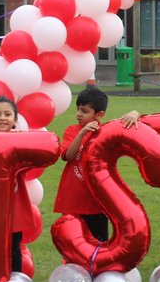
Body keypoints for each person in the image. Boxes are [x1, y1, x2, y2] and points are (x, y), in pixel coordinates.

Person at [53, 87, 139, 244]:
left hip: (97, 203)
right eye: (78, 109)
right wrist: (82, 134)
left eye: (84, 111)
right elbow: (68, 156)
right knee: (72, 244)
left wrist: (134, 113)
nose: (79, 114)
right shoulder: (72, 130)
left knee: (98, 246)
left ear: (99, 115)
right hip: (73, 200)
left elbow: (130, 124)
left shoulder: (106, 132)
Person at [0, 96, 38, 274]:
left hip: (14, 204)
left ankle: (15, 280)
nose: (2, 118)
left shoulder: (21, 141)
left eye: (7, 114)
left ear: (15, 119)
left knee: (14, 244)